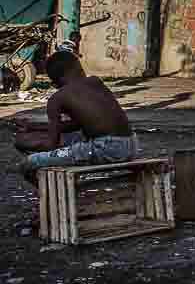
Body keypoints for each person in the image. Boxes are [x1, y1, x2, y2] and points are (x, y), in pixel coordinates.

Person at [15, 51, 137, 184]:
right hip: (131, 144)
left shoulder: (57, 99)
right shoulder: (95, 81)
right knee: (67, 141)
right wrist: (34, 127)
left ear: (54, 81)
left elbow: (52, 144)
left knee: (29, 162)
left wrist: (29, 144)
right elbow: (78, 124)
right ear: (79, 67)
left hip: (105, 149)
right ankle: (64, 186)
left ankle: (53, 195)